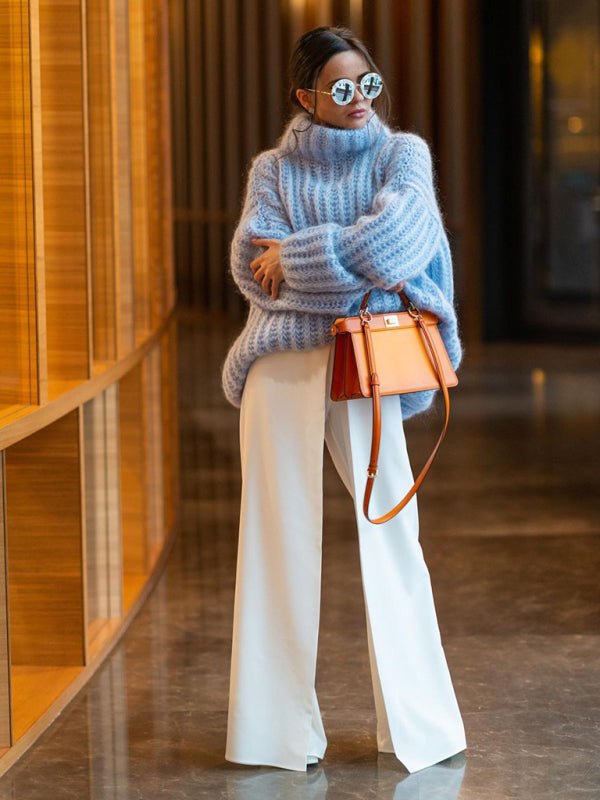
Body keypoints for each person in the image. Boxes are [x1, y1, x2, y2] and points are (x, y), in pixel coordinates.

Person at [221, 25, 467, 773]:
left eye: (369, 84)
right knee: (272, 541)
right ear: (305, 97)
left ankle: (418, 728)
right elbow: (244, 262)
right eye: (340, 88)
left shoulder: (404, 155)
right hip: (279, 369)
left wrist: (293, 256)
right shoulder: (271, 169)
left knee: (392, 532)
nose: (360, 99)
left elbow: (395, 245)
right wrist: (347, 258)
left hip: (370, 361)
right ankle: (272, 736)